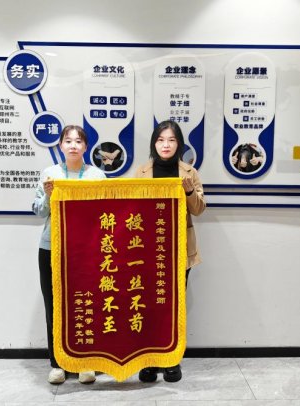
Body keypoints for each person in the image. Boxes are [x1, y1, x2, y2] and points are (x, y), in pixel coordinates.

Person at [32, 125, 106, 384]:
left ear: (86, 146)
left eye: (78, 141)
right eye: (68, 141)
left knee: (86, 303)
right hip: (52, 248)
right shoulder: (50, 174)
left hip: (87, 251)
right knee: (54, 305)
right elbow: (38, 211)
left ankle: (86, 362)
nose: (73, 145)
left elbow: (106, 213)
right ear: (61, 145)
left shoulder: (97, 176)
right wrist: (48, 196)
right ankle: (57, 364)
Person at [133, 120, 206, 383]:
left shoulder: (189, 172)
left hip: (178, 251)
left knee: (174, 305)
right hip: (147, 250)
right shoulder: (142, 172)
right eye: (161, 140)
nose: (166, 145)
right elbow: (132, 211)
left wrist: (188, 191)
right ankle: (149, 360)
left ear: (179, 144)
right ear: (154, 143)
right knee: (148, 304)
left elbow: (199, 209)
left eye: (172, 140)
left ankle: (172, 359)